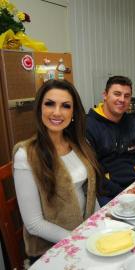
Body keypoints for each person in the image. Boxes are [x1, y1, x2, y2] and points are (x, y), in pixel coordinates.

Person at [13, 80, 100, 259]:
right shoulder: (26, 155)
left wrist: (100, 224)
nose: (57, 112)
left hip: (85, 233)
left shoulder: (78, 144)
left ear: (73, 113)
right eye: (49, 104)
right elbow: (34, 224)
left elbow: (89, 192)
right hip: (52, 249)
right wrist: (80, 240)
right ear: (39, 109)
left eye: (66, 106)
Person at [86, 75, 135, 206]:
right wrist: (123, 193)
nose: (122, 99)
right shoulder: (88, 126)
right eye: (117, 94)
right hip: (107, 192)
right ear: (105, 95)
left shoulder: (134, 124)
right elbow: (92, 172)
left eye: (127, 96)